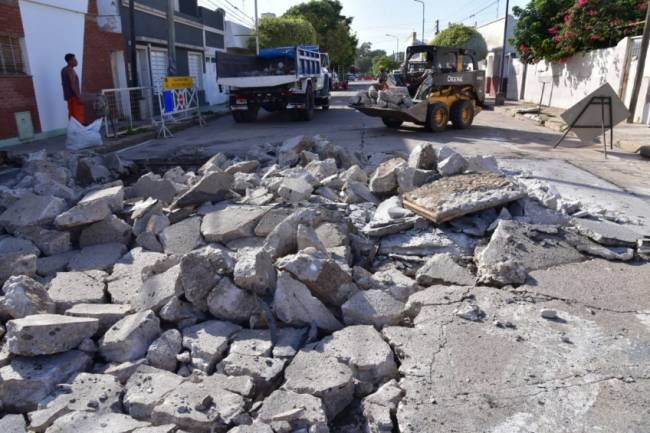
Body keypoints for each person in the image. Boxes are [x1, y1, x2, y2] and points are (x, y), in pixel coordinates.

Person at [61, 53, 84, 124]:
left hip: (69, 97)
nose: (76, 61)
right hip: (74, 98)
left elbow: (64, 84)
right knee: (78, 117)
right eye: (74, 59)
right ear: (70, 61)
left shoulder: (63, 70)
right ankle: (79, 133)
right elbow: (73, 86)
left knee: (72, 117)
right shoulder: (70, 70)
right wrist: (79, 97)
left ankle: (73, 133)